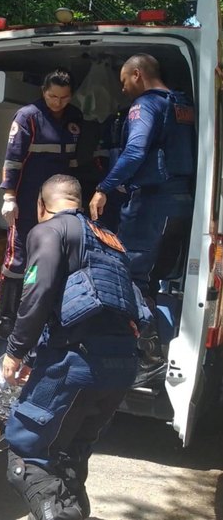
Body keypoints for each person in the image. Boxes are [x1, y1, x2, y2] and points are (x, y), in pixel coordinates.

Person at [2, 174, 147, 520]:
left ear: (41, 205)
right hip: (122, 365)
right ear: (79, 203)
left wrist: (15, 351)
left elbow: (38, 292)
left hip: (77, 361)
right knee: (67, 454)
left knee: (28, 456)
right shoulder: (111, 240)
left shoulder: (49, 230)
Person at [88, 53, 195, 386]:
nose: (123, 90)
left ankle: (145, 357)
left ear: (137, 74)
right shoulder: (182, 104)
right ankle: (158, 347)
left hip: (152, 203)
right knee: (159, 278)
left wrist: (103, 188)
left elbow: (135, 150)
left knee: (130, 274)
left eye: (123, 81)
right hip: (180, 203)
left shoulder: (145, 106)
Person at [0, 68, 83, 339]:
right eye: (52, 96)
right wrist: (9, 197)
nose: (57, 102)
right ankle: (8, 318)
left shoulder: (74, 118)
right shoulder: (28, 117)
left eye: (63, 97)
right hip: (26, 197)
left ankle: (47, 317)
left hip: (58, 201)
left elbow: (72, 161)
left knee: (54, 256)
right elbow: (12, 159)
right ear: (43, 91)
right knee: (17, 258)